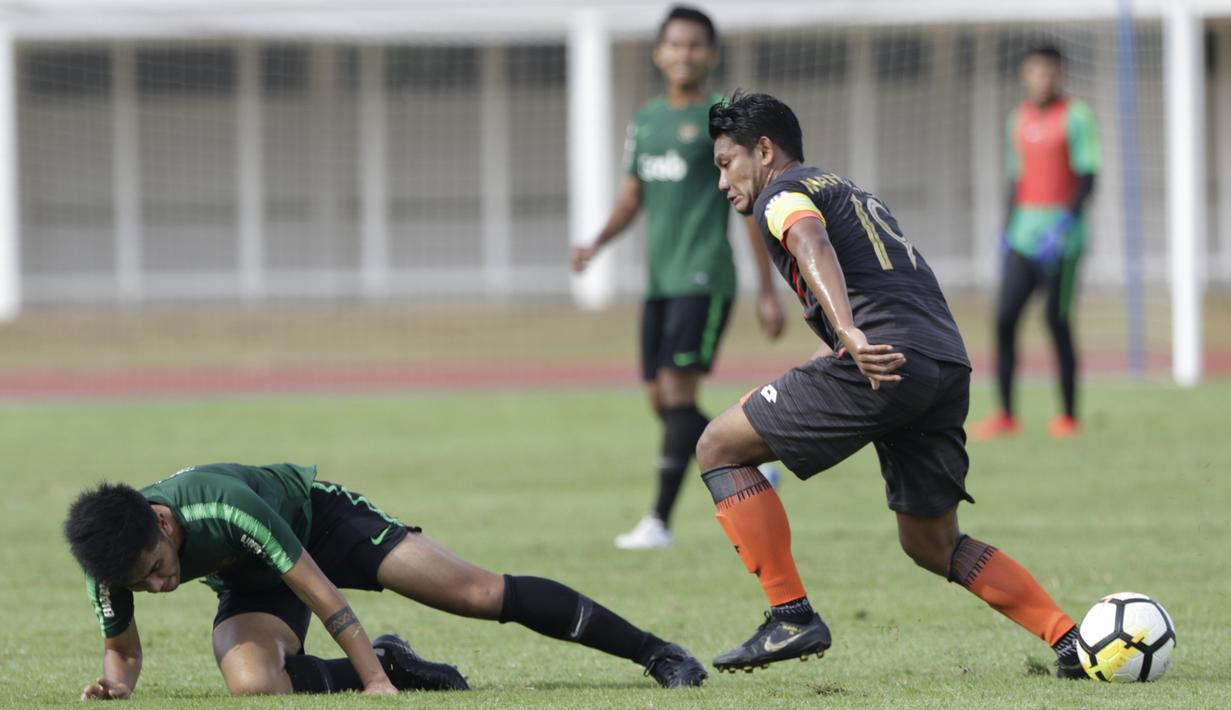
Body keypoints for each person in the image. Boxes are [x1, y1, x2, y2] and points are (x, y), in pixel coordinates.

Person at [694, 92, 1086, 679]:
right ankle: (1073, 641)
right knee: (932, 543)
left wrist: (848, 330)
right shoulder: (848, 189)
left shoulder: (782, 194)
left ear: (765, 150)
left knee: (717, 446)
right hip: (944, 364)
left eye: (727, 163)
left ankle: (790, 614)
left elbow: (810, 243)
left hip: (878, 359)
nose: (723, 181)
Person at [64, 462, 707, 699]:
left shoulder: (224, 506)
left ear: (162, 522)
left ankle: (657, 653)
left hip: (320, 528)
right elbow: (121, 652)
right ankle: (399, 660)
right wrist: (115, 689)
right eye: (141, 584)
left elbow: (321, 591)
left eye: (157, 570)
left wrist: (371, 682)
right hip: (252, 574)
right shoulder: (113, 559)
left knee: (482, 594)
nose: (158, 588)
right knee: (255, 686)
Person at [572, 5, 784, 550]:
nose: (684, 54)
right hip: (661, 281)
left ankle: (658, 522)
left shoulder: (724, 120)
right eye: (675, 44)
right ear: (658, 53)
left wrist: (768, 290)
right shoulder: (646, 121)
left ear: (710, 54)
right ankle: (756, 453)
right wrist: (596, 242)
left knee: (676, 393)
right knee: (663, 402)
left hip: (704, 276)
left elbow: (750, 204)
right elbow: (632, 195)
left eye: (695, 45)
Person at [971, 43, 1100, 440]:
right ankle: (1006, 415)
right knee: (1005, 319)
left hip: (1062, 241)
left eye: (1049, 71)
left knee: (1055, 321)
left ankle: (1069, 416)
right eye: (1035, 71)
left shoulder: (1077, 116)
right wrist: (1007, 229)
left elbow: (1088, 177)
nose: (1042, 78)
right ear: (1025, 75)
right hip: (1023, 237)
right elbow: (1017, 179)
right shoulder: (1019, 119)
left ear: (1059, 73)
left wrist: (1064, 223)